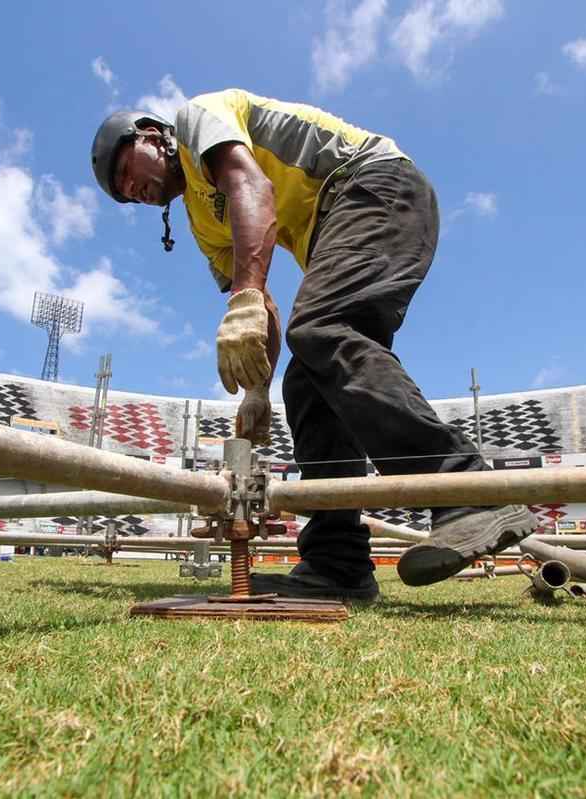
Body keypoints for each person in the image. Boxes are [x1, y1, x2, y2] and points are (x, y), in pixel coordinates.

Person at [91, 90, 538, 601]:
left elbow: (249, 185)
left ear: (151, 135)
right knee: (306, 381)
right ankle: (336, 562)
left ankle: (470, 494)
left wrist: (244, 299)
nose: (132, 189)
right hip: (342, 223)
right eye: (124, 193)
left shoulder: (197, 121)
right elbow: (262, 302)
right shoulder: (199, 221)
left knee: (320, 326)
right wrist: (256, 390)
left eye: (127, 169)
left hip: (373, 184)